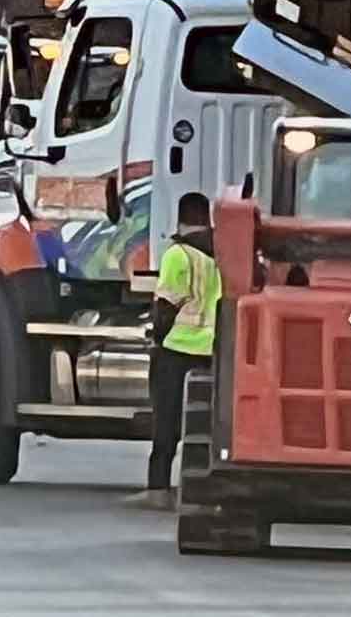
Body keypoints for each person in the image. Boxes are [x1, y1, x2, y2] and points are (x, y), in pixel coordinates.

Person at [123, 192, 221, 510]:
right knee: (205, 423)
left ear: (179, 219)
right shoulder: (225, 253)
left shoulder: (178, 255)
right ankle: (203, 492)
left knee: (166, 419)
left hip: (176, 348)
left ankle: (158, 490)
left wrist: (156, 337)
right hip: (213, 350)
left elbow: (165, 306)